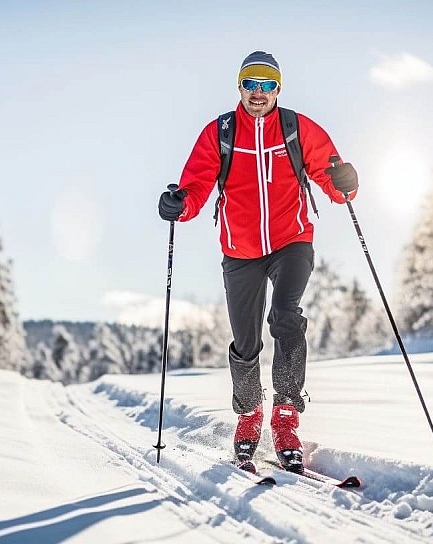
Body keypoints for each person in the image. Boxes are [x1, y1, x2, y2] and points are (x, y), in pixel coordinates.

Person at [157, 51, 358, 473]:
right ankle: (250, 415)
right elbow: (196, 185)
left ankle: (286, 416)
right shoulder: (221, 133)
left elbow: (332, 177)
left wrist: (345, 183)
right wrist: (180, 203)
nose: (259, 93)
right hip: (240, 250)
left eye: (268, 85)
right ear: (240, 87)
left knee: (285, 317)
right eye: (251, 84)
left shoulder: (297, 129)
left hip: (292, 239)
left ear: (278, 89)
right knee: (245, 342)